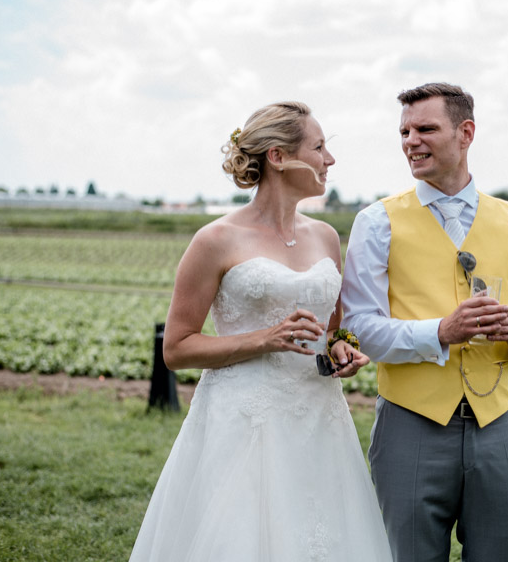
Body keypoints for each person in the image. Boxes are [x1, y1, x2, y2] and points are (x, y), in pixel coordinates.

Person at [128, 101, 392, 562]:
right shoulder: (215, 240)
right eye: (319, 147)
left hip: (318, 420)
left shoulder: (327, 237)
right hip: (243, 420)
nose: (329, 160)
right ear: (278, 156)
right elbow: (176, 347)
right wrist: (262, 339)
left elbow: (334, 331)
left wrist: (344, 352)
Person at [341, 83, 508, 562]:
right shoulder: (376, 222)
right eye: (404, 131)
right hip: (409, 428)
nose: (410, 141)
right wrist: (440, 332)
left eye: (425, 128)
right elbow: (358, 325)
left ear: (466, 133)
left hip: (501, 426)